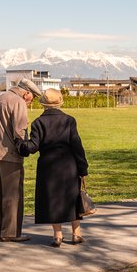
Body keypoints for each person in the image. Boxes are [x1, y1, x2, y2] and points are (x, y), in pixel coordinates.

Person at [16, 88, 89, 247]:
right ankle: (76, 234)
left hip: (48, 167)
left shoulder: (38, 123)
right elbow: (77, 146)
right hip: (69, 164)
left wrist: (20, 143)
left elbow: (32, 147)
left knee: (53, 198)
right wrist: (83, 168)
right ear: (60, 101)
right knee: (72, 198)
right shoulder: (69, 120)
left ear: (43, 104)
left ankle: (58, 235)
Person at [0, 78, 41, 242]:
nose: (31, 103)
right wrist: (26, 147)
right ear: (27, 93)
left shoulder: (0, 98)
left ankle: (0, 230)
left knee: (0, 193)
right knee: (13, 194)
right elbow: (19, 130)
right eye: (32, 98)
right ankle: (10, 232)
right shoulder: (18, 102)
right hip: (10, 154)